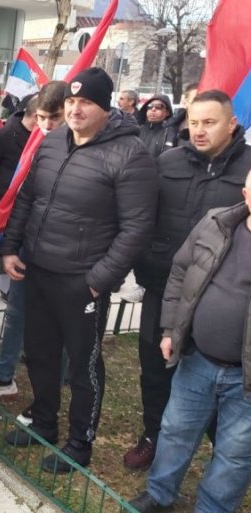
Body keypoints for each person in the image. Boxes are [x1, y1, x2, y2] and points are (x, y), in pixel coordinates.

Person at [0, 68, 158, 473]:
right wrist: (11, 248)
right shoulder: (53, 141)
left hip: (83, 280)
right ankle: (44, 421)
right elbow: (28, 197)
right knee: (40, 353)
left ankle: (79, 442)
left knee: (84, 366)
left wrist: (98, 281)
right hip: (38, 268)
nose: (75, 109)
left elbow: (137, 228)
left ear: (105, 107)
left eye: (85, 102)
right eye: (70, 101)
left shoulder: (130, 153)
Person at [125, 90, 251, 471]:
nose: (199, 130)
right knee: (154, 367)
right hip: (165, 284)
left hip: (222, 295)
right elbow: (145, 214)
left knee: (219, 376)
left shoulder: (248, 168)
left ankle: (221, 450)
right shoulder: (169, 161)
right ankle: (154, 435)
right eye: (194, 122)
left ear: (231, 124)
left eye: (209, 122)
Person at [129, 180, 251, 513]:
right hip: (198, 358)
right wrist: (171, 330)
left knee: (235, 453)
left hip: (246, 380)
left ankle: (213, 508)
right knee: (175, 430)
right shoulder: (215, 223)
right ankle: (159, 493)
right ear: (246, 194)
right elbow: (181, 271)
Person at [0, 81, 68, 398]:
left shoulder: (91, 152)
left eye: (55, 118)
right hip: (27, 243)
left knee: (59, 322)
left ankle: (60, 380)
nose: (47, 126)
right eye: (42, 118)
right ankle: (4, 375)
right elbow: (20, 197)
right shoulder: (37, 144)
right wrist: (10, 245)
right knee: (16, 312)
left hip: (67, 254)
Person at [138, 94, 178, 158]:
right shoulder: (138, 130)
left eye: (159, 107)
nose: (153, 109)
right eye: (150, 107)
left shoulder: (172, 133)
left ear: (167, 112)